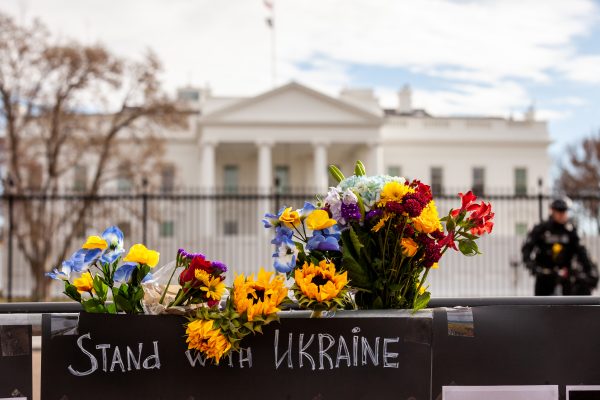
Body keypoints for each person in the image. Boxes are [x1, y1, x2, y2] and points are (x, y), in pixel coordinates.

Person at [521, 198, 581, 295]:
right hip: (544, 277)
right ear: (552, 211)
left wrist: (586, 270)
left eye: (564, 211)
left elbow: (580, 251)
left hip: (565, 278)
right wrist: (533, 267)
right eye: (559, 211)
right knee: (543, 307)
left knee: (567, 307)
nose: (562, 214)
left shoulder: (570, 231)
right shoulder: (541, 228)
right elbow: (526, 248)